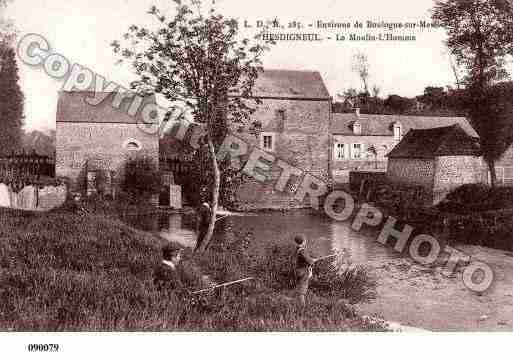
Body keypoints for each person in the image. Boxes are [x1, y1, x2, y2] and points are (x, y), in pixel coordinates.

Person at [294, 234, 316, 306]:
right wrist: (312, 261)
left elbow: (303, 259)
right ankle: (302, 307)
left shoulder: (297, 249)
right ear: (303, 242)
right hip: (303, 272)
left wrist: (310, 260)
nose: (306, 241)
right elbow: (309, 261)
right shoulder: (303, 251)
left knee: (299, 288)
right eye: (305, 240)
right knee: (302, 291)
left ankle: (298, 303)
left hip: (298, 271)